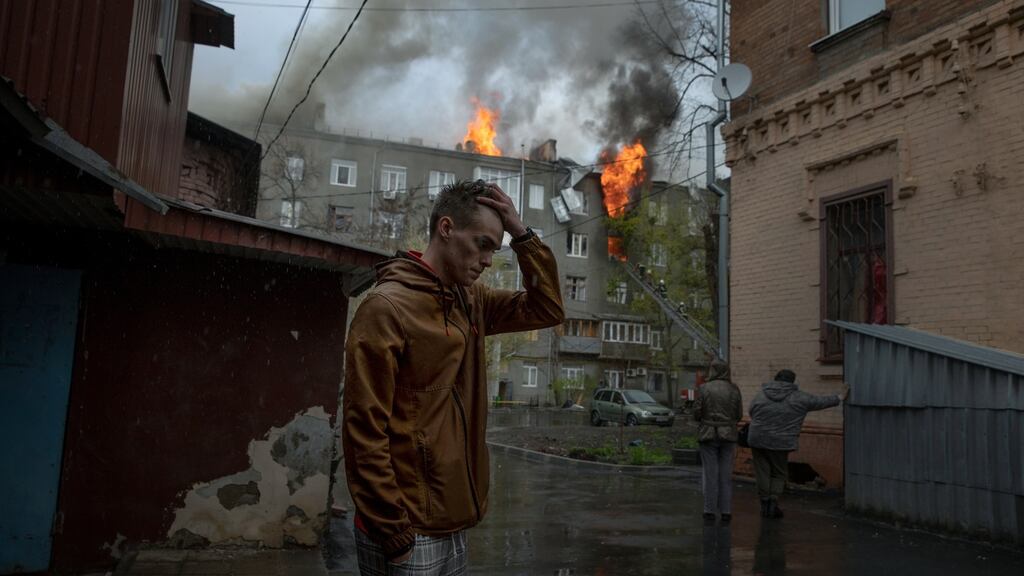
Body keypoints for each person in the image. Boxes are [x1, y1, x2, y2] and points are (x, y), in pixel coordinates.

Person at [342, 179, 564, 575]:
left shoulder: (470, 300)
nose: (487, 260)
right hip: (406, 527)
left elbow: (546, 308)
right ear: (446, 229)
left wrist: (522, 234)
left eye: (494, 250)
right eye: (482, 244)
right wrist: (395, 534)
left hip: (453, 521)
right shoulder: (385, 308)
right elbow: (363, 431)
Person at [747, 369, 848, 518]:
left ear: (776, 379)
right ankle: (772, 504)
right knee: (778, 473)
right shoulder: (800, 397)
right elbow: (820, 402)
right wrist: (840, 397)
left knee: (762, 472)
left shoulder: (761, 395)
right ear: (792, 381)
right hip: (781, 442)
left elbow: (751, 412)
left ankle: (764, 503)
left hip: (757, 439)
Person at [693, 361, 742, 525]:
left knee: (710, 473)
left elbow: (697, 412)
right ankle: (726, 511)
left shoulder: (704, 388)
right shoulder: (734, 389)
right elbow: (739, 414)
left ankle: (709, 511)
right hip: (728, 434)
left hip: (708, 434)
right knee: (726, 475)